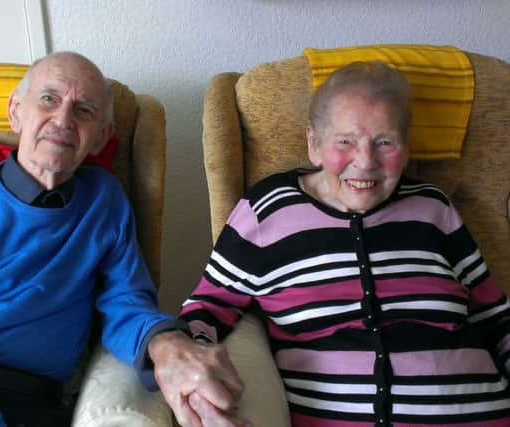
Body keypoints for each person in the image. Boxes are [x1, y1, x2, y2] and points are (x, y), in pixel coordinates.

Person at [0, 51, 245, 427]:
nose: (63, 119)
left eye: (84, 110)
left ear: (102, 137)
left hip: (44, 405)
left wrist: (168, 346)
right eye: (49, 99)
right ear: (16, 111)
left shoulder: (104, 199)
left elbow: (125, 301)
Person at [180, 61, 510, 426]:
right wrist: (194, 370)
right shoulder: (268, 211)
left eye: (385, 142)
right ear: (314, 144)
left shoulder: (433, 207)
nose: (365, 162)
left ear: (407, 144)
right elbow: (208, 307)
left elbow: (496, 317)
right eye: (345, 142)